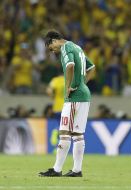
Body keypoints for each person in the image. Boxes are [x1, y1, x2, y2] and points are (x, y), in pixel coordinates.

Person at [39, 30, 95, 177]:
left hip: (74, 96)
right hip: (84, 94)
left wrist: (69, 86)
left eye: (51, 48)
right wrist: (83, 83)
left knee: (64, 132)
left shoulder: (65, 48)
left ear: (54, 41)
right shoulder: (77, 47)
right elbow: (92, 68)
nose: (53, 52)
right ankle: (77, 170)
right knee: (77, 134)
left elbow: (70, 65)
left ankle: (57, 169)